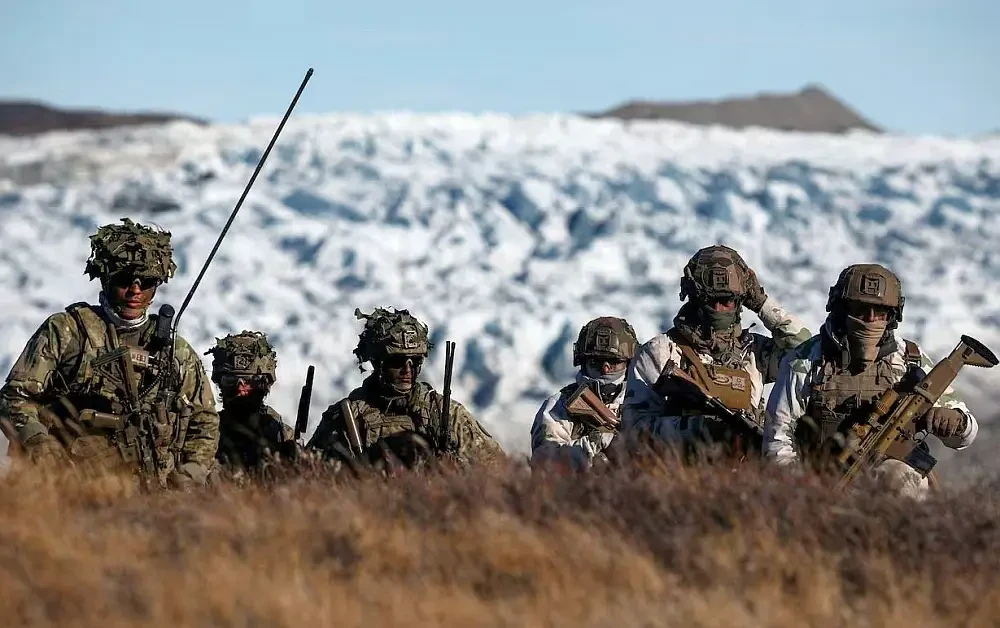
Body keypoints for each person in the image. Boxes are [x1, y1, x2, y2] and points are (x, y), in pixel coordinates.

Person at [0, 218, 219, 489]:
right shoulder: (68, 331)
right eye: (125, 280)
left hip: (154, 492)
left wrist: (189, 474)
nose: (135, 290)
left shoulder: (175, 350)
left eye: (146, 282)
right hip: (65, 486)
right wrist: (41, 445)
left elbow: (204, 420)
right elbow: (14, 396)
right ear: (106, 279)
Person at [763, 263, 978, 498]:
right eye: (860, 310)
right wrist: (803, 491)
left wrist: (956, 422)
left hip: (891, 482)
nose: (870, 319)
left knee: (902, 477)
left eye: (880, 312)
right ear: (841, 310)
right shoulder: (806, 360)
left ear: (892, 316)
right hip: (822, 481)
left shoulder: (909, 360)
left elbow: (965, 435)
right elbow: (778, 440)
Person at [615, 245, 811, 461]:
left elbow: (805, 353)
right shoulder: (660, 351)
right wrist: (696, 429)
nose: (718, 309)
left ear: (741, 301)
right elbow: (633, 430)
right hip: (679, 472)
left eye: (726, 300)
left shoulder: (755, 352)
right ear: (693, 298)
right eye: (709, 300)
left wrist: (762, 303)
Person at [307, 307, 504, 470]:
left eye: (415, 361)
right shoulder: (347, 417)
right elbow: (312, 475)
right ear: (377, 362)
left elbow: (498, 468)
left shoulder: (445, 413)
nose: (407, 370)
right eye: (397, 361)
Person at [530, 316, 638, 471]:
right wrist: (596, 443)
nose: (605, 368)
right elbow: (544, 464)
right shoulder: (559, 406)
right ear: (582, 361)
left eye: (614, 362)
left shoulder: (644, 400)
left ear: (629, 363)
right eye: (596, 362)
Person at [206, 330, 294, 474]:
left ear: (265, 384)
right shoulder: (205, 433)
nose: (241, 389)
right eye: (231, 381)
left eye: (251, 382)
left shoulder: (281, 434)